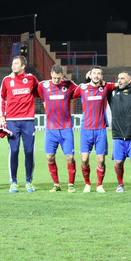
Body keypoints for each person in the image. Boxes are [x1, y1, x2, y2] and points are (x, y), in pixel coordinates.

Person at [0, 55, 39, 193]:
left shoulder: (32, 79)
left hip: (28, 120)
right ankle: (13, 181)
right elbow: (2, 98)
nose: (13, 66)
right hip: (11, 121)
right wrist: (1, 116)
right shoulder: (7, 80)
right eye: (12, 63)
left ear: (23, 66)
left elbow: (41, 91)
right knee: (14, 151)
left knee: (29, 152)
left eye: (16, 64)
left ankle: (28, 181)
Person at [73, 66, 115, 193]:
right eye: (94, 73)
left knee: (101, 160)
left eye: (99, 74)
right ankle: (87, 183)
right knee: (84, 159)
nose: (96, 76)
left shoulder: (106, 87)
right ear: (89, 75)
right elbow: (68, 95)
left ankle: (99, 185)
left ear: (102, 76)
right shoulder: (82, 88)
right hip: (86, 129)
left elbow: (121, 83)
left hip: (100, 129)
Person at [36, 64, 77, 193]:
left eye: (59, 78)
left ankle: (71, 184)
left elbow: (81, 91)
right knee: (50, 157)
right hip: (50, 129)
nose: (56, 81)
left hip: (66, 128)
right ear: (51, 75)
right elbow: (37, 93)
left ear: (62, 76)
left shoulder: (68, 85)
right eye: (54, 78)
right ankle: (56, 184)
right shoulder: (43, 86)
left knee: (70, 157)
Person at [107, 71, 131, 193]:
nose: (119, 80)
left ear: (129, 80)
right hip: (118, 134)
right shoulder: (112, 92)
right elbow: (99, 86)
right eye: (118, 78)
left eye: (122, 78)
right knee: (118, 162)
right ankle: (120, 184)